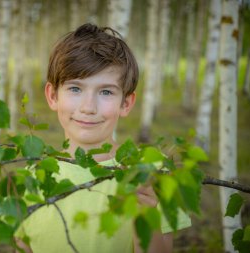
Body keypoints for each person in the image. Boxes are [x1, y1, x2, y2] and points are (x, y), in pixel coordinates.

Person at [15, 23, 191, 253]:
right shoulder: (32, 179)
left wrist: (146, 213)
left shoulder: (151, 173)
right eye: (75, 89)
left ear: (125, 103)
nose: (88, 108)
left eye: (106, 92)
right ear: (52, 95)